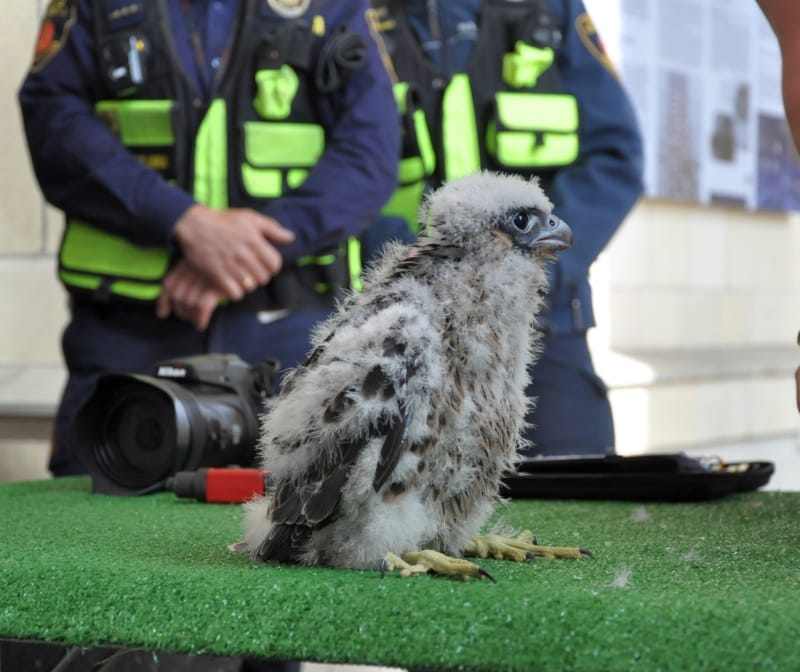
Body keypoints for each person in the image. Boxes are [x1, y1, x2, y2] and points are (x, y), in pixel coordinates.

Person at [18, 0, 399, 477]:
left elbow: (371, 152)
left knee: (296, 520)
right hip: (130, 336)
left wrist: (246, 253)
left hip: (290, 338)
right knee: (83, 526)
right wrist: (182, 222)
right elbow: (53, 119)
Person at [370, 0, 644, 456]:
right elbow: (343, 174)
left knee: (580, 491)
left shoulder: (549, 9)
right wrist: (417, 282)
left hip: (543, 326)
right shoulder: (346, 13)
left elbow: (614, 158)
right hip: (395, 331)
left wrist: (526, 273)